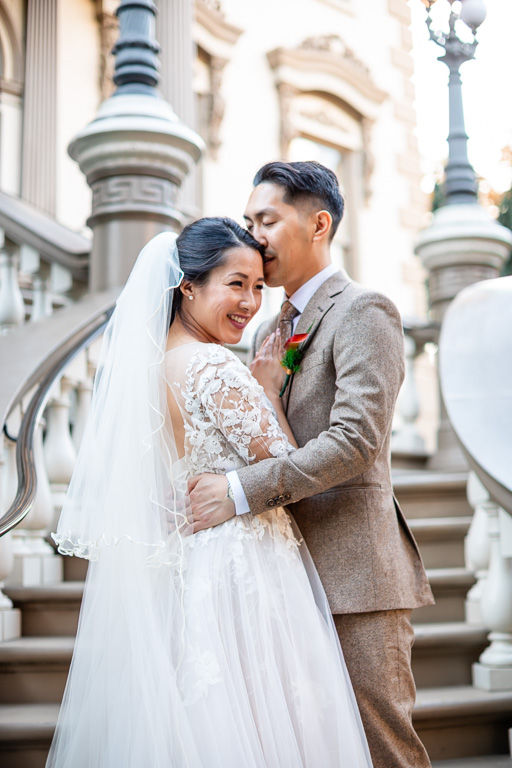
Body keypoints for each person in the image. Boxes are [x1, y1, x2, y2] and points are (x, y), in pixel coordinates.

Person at [47, 217, 373, 768]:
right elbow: (287, 471)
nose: (249, 303)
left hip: (193, 568)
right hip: (246, 568)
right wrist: (267, 389)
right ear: (188, 287)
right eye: (235, 284)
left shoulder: (153, 368)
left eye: (257, 287)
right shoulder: (213, 365)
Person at [188, 162, 435, 768]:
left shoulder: (364, 310)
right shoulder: (265, 327)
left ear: (319, 224)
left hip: (356, 577)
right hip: (279, 577)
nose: (254, 235)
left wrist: (240, 491)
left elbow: (356, 441)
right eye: (249, 221)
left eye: (266, 220)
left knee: (382, 748)